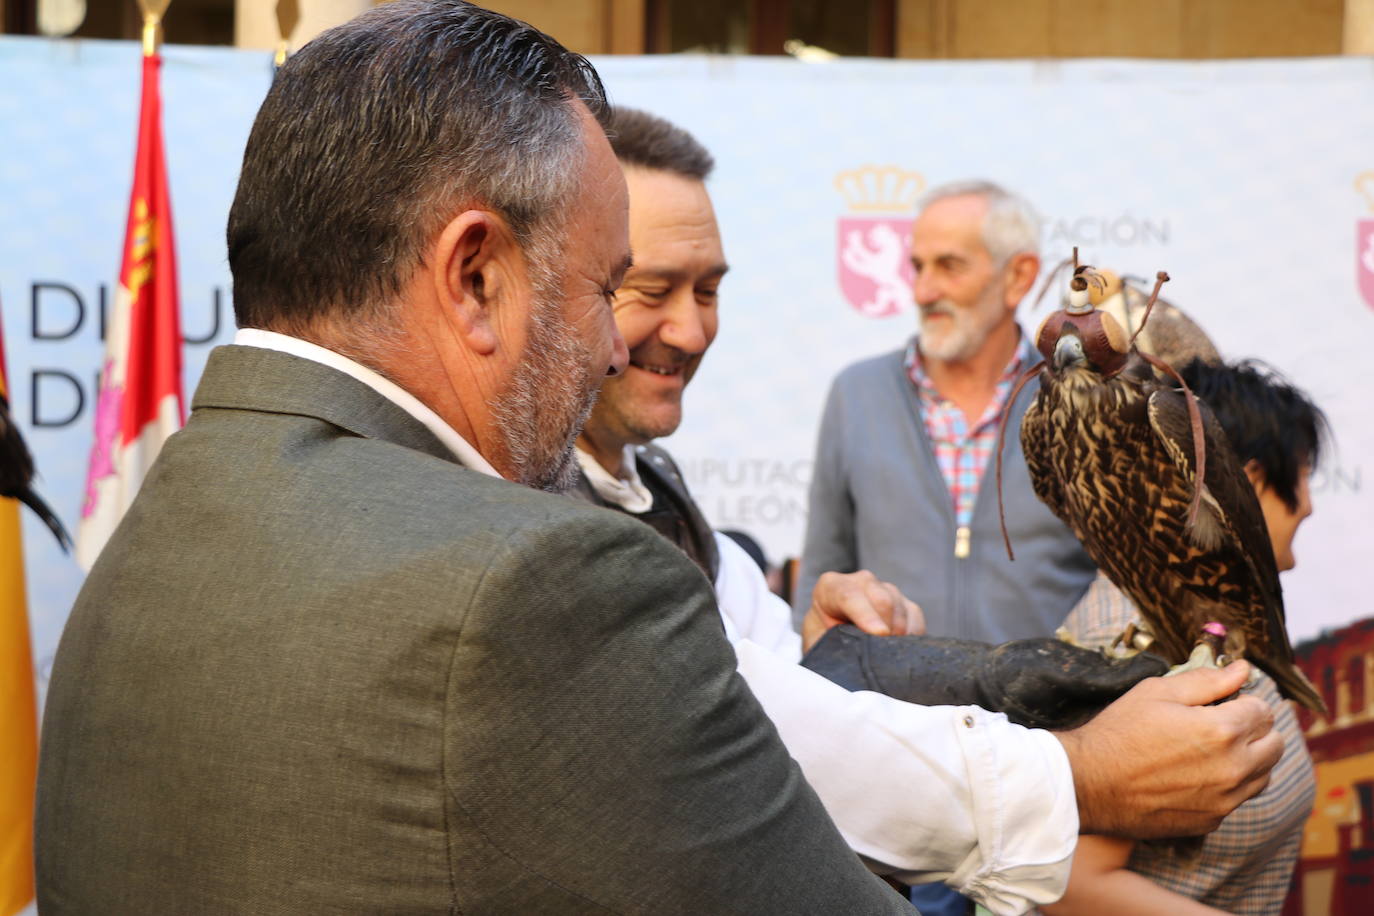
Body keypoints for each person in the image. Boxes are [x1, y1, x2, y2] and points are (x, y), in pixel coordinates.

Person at [33, 6, 915, 912]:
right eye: (605, 289)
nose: (615, 350)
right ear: (474, 279)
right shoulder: (541, 581)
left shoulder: (151, 524)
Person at [570, 109, 1283, 913]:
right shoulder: (541, 508)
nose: (693, 327)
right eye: (653, 289)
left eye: (709, 290)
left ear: (1019, 278)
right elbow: (761, 727)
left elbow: (769, 677)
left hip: (991, 789)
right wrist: (1078, 770)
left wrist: (823, 652)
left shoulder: (661, 490)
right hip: (962, 799)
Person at [1047, 359, 1328, 916]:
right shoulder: (1135, 639)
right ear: (1243, 486)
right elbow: (1071, 889)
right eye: (1300, 476)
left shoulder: (1214, 605)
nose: (1312, 504)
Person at [796, 181, 1097, 644]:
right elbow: (822, 579)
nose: (922, 290)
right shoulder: (857, 394)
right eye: (917, 267)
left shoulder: (1085, 399)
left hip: (1055, 714)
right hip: (894, 711)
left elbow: (1124, 583)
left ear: (1018, 277)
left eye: (949, 267)